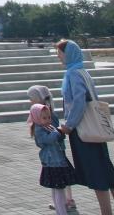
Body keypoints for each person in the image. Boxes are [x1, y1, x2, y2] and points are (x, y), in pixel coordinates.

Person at [56, 39, 114, 215]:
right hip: (96, 127)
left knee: (95, 171)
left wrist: (69, 125)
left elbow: (79, 101)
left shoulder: (72, 74)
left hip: (84, 129)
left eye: (60, 53)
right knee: (106, 168)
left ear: (68, 54)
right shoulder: (83, 71)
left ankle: (106, 212)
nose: (58, 56)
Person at [28, 84, 77, 212]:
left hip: (56, 159)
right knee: (58, 187)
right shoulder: (39, 127)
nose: (48, 119)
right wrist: (59, 131)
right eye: (45, 118)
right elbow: (46, 139)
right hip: (52, 161)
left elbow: (56, 137)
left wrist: (59, 133)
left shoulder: (48, 116)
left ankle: (66, 203)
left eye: (31, 98)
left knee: (59, 186)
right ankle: (62, 209)